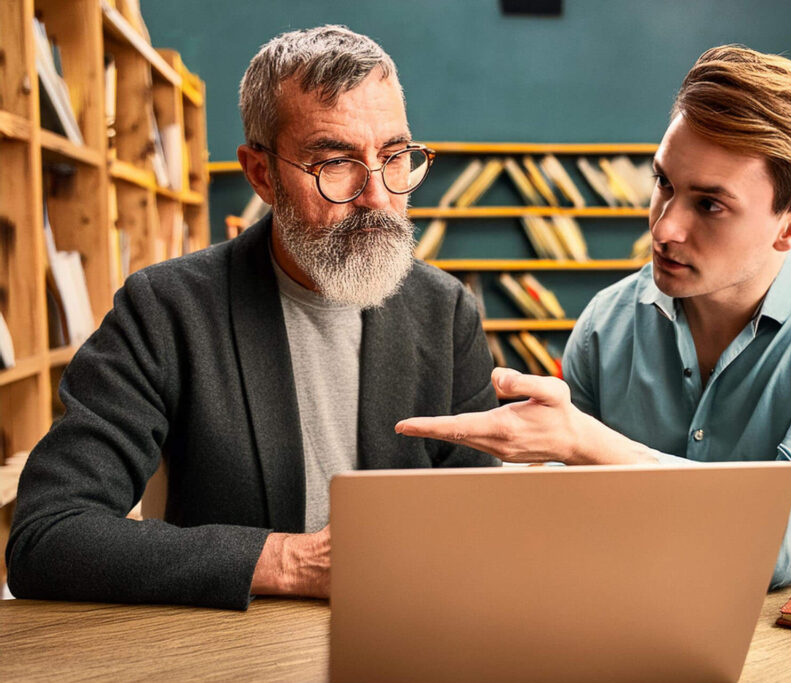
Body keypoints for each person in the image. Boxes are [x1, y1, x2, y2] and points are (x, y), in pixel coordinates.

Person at [7, 26, 497, 610]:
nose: (378, 197)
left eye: (395, 157)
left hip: (409, 632)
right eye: (336, 163)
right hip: (234, 654)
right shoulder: (165, 309)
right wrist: (289, 562)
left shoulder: (446, 313)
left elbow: (481, 522)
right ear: (261, 174)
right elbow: (46, 534)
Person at [397, 45, 791, 588]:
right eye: (664, 183)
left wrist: (585, 444)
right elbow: (560, 517)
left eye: (710, 205)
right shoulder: (606, 322)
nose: (664, 228)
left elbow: (788, 544)